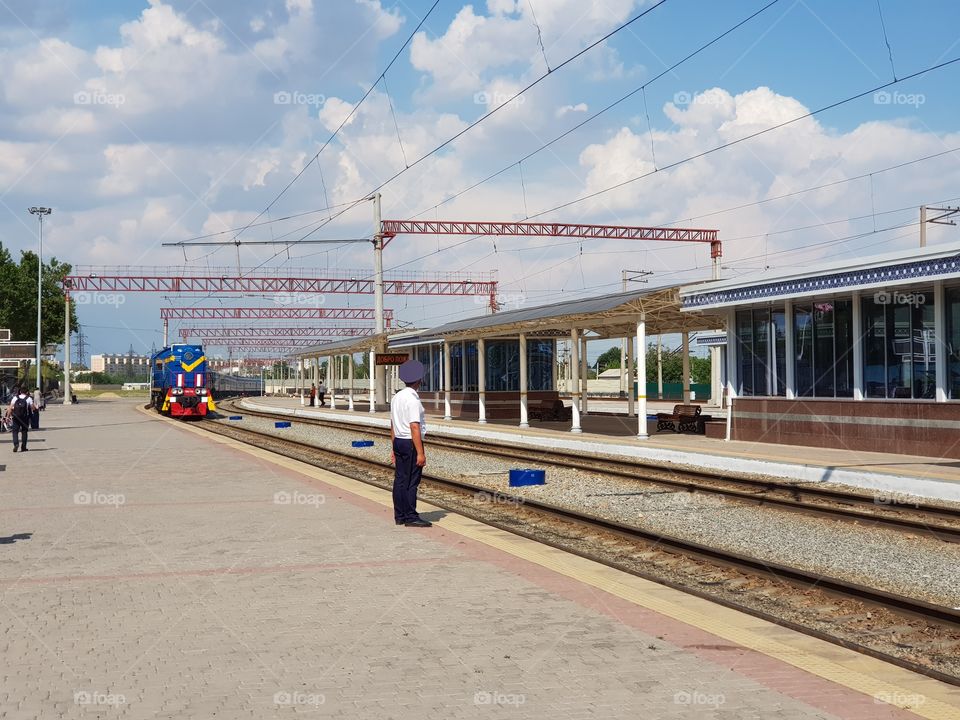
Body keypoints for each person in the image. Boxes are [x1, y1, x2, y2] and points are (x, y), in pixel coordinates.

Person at [390, 360, 430, 528]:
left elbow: (392, 424)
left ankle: (399, 515)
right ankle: (410, 516)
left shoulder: (396, 397)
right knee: (411, 481)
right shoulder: (413, 400)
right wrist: (420, 452)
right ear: (419, 380)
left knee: (399, 480)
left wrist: (393, 447)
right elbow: (414, 426)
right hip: (409, 443)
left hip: (398, 440)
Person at [7, 386, 34, 453]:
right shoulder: (29, 398)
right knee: (24, 432)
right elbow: (33, 408)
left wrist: (8, 416)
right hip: (25, 418)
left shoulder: (15, 398)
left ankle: (16, 444)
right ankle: (23, 447)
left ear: (20, 391)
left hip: (16, 417)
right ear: (27, 392)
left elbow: (10, 408)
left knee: (15, 431)